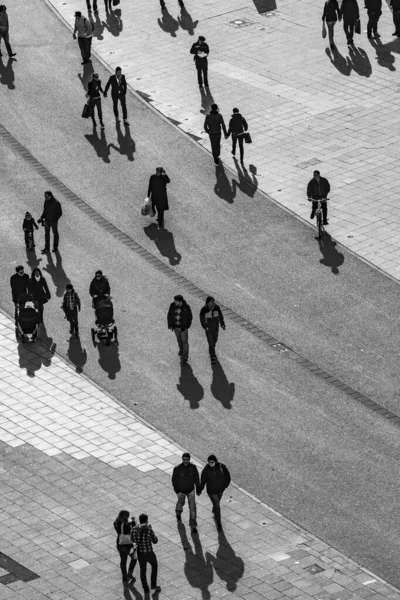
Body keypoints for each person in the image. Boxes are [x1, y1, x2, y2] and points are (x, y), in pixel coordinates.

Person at [199, 455, 231, 532]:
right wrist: (200, 489)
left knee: (217, 503)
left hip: (220, 489)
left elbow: (227, 476)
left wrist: (225, 485)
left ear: (215, 461)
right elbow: (203, 481)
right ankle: (219, 524)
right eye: (209, 462)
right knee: (217, 506)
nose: (210, 463)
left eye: (212, 462)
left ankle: (215, 511)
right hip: (211, 491)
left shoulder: (221, 467)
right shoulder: (206, 470)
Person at [132, 514, 161, 595]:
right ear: (146, 521)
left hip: (140, 553)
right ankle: (153, 585)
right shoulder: (149, 530)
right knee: (154, 566)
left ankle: (146, 588)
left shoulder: (134, 529)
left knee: (143, 571)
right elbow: (155, 541)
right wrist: (151, 529)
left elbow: (132, 539)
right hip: (149, 553)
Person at [172, 453, 200, 534]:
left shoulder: (193, 468)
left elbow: (197, 479)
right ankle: (178, 511)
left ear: (189, 459)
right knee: (181, 503)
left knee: (193, 508)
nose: (185, 461)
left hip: (191, 490)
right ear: (182, 459)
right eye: (184, 459)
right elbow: (174, 481)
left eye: (187, 460)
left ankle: (193, 526)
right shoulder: (177, 469)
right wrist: (177, 491)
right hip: (181, 491)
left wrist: (198, 489)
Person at [199, 296, 225, 364]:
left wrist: (222, 324)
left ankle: (212, 347)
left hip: (216, 327)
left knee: (215, 340)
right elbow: (202, 320)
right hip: (208, 329)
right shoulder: (204, 310)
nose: (213, 303)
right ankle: (212, 356)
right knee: (210, 342)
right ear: (207, 303)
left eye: (213, 301)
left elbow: (220, 316)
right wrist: (205, 327)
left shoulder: (217, 308)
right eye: (211, 302)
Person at [167, 294, 193, 363]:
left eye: (176, 301)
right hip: (176, 327)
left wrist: (186, 326)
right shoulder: (173, 306)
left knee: (184, 341)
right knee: (179, 340)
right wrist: (170, 325)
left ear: (180, 301)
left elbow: (190, 318)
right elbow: (169, 315)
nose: (175, 302)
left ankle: (185, 355)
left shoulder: (186, 307)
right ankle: (181, 350)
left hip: (183, 328)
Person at [113, 510, 137, 583]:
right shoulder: (122, 523)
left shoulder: (116, 522)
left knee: (126, 559)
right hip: (126, 543)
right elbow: (129, 530)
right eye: (127, 516)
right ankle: (128, 574)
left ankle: (126, 575)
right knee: (131, 558)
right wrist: (132, 522)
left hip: (121, 543)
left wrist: (131, 522)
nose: (128, 517)